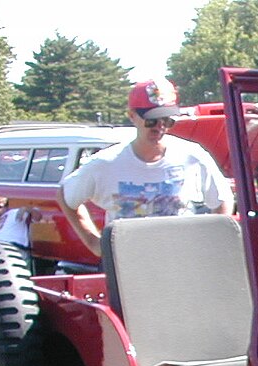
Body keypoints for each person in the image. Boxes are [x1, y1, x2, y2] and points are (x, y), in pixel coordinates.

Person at [59, 77, 233, 258]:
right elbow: (65, 196)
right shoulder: (105, 164)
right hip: (127, 264)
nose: (160, 127)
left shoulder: (192, 156)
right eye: (152, 120)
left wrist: (212, 243)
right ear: (132, 116)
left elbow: (222, 199)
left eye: (167, 120)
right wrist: (94, 243)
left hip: (181, 261)